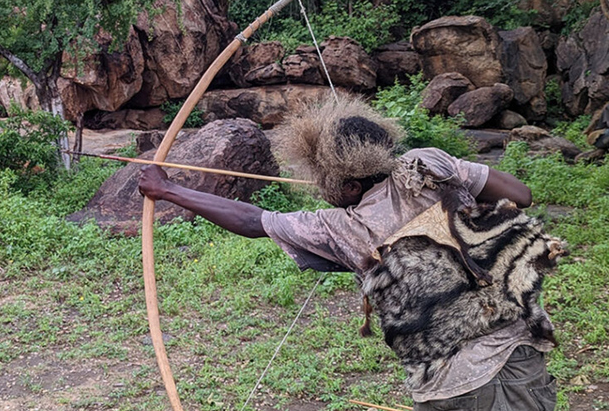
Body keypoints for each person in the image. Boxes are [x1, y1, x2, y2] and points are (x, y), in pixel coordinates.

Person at [138, 94, 557, 410]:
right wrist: (453, 172)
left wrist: (168, 190)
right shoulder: (423, 165)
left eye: (326, 179)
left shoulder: (343, 227)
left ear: (352, 186)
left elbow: (253, 221)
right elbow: (521, 193)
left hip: (457, 385)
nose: (321, 187)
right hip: (521, 357)